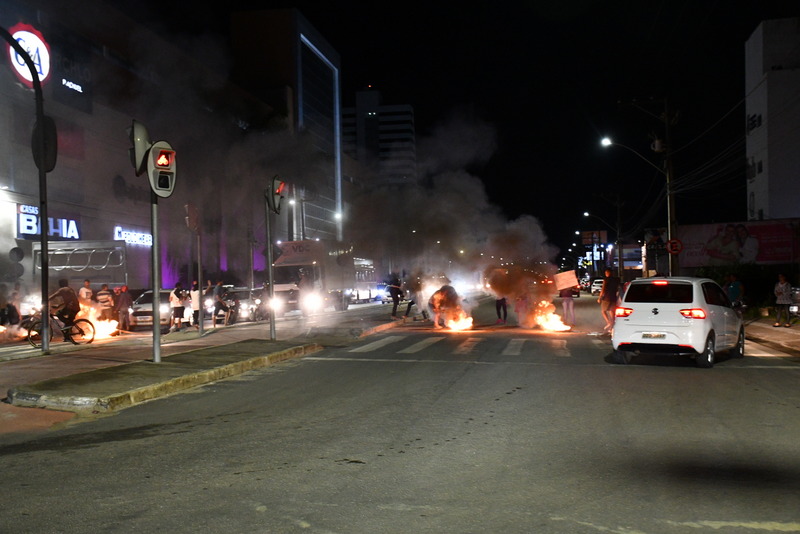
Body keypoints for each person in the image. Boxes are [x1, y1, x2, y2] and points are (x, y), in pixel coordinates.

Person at [598, 268, 620, 333]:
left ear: (608, 273)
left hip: (606, 298)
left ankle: (609, 322)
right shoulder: (616, 280)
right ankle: (612, 327)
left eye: (606, 273)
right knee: (612, 312)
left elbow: (603, 289)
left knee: (603, 311)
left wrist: (600, 298)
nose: (605, 274)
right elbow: (618, 288)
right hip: (614, 298)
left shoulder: (606, 280)